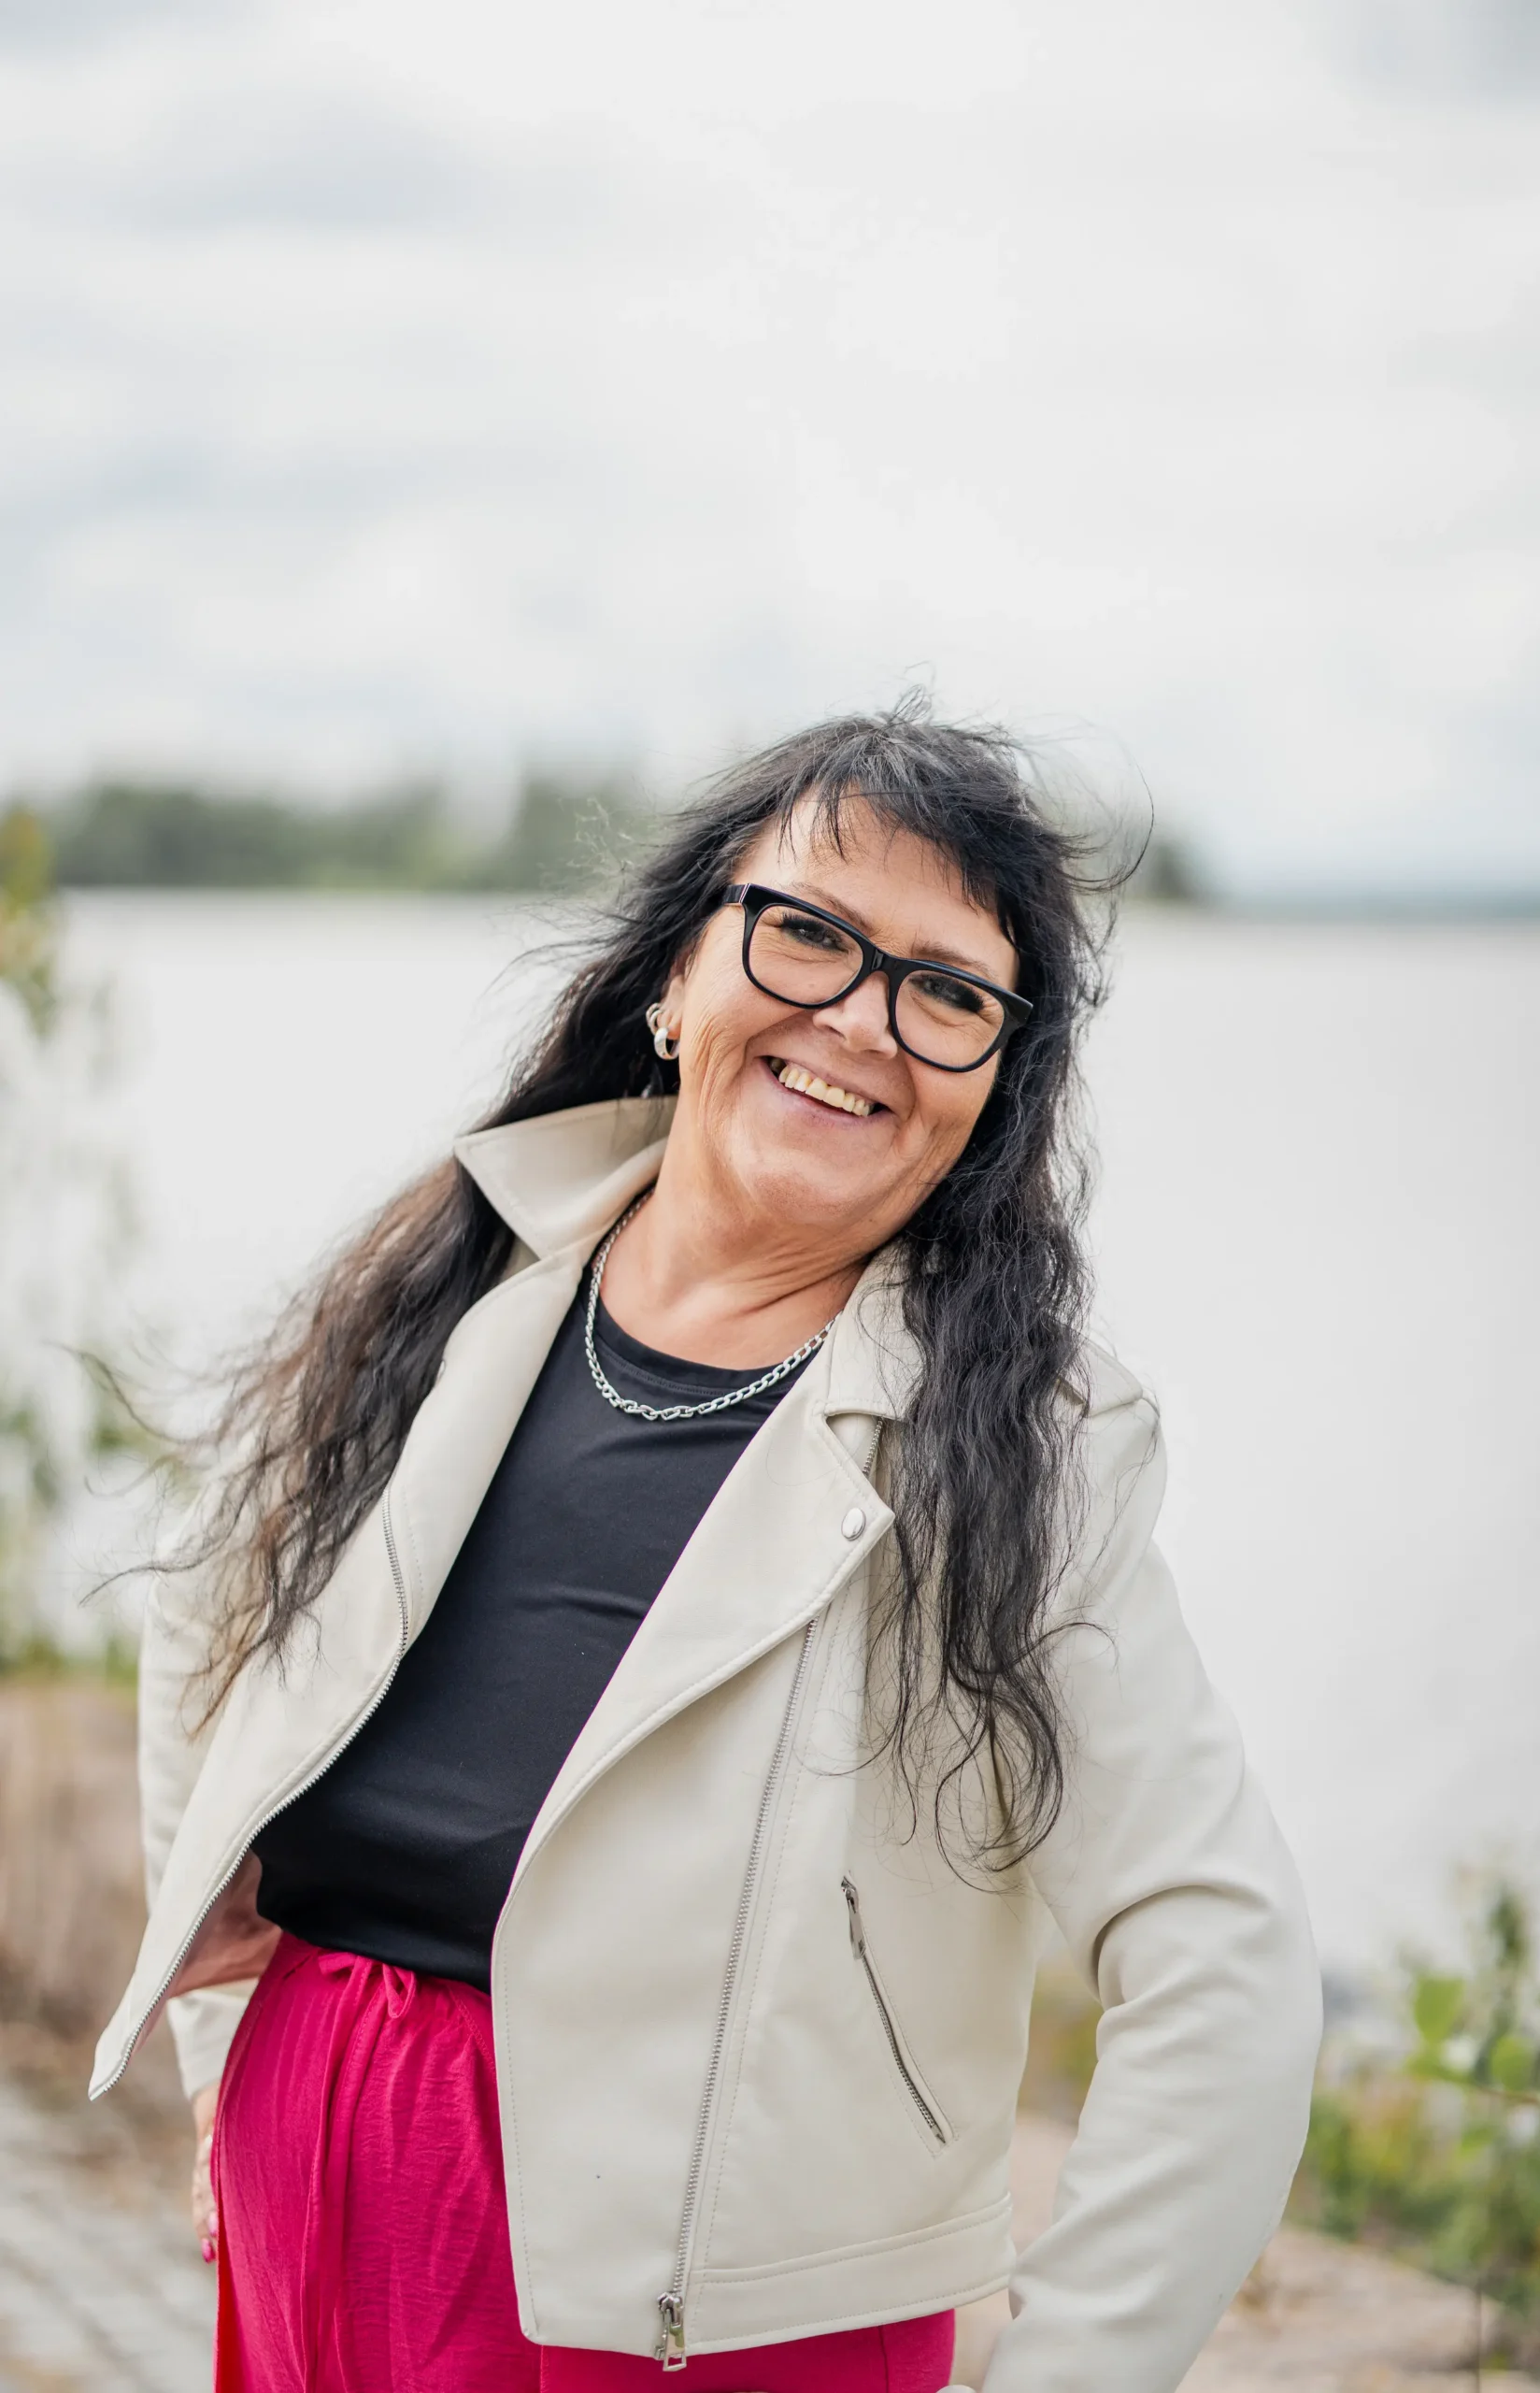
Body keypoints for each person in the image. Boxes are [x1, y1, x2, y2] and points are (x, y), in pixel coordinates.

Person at [95, 706, 1321, 2393]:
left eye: (947, 992)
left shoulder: (1027, 1452)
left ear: (992, 1091)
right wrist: (227, 2051)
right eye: (806, 932)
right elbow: (209, 1621)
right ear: (676, 978)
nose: (860, 1019)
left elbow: (1223, 1963)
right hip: (314, 2186)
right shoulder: (459, 1276)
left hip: (713, 2321)